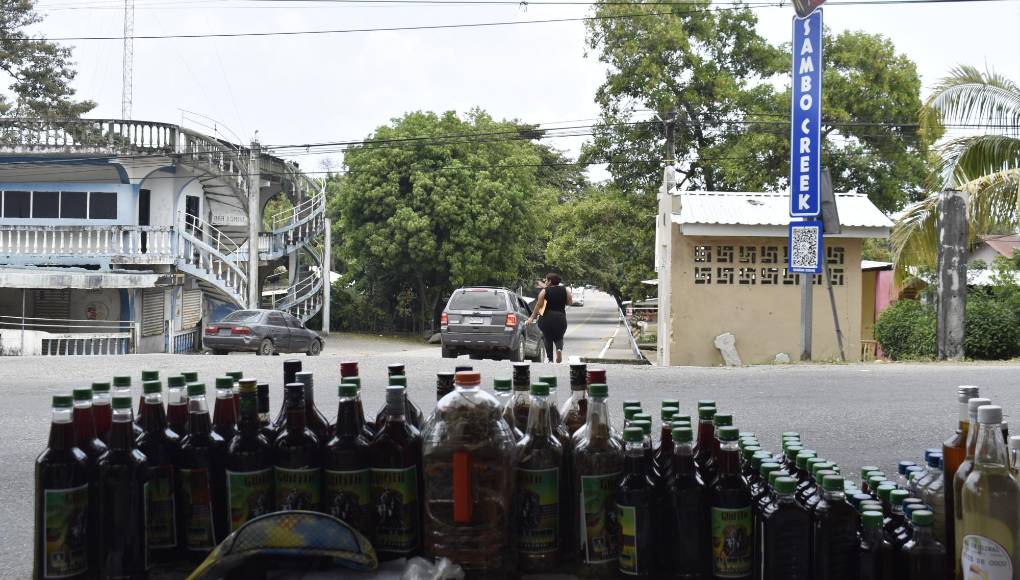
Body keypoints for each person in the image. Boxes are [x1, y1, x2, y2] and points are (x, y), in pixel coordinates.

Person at [526, 273, 573, 363]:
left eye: (546, 280)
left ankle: (550, 359)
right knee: (559, 336)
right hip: (560, 317)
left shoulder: (544, 291)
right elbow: (570, 302)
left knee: (547, 337)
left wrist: (531, 317)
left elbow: (539, 305)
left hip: (546, 317)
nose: (545, 282)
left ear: (550, 281)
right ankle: (559, 349)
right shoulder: (566, 290)